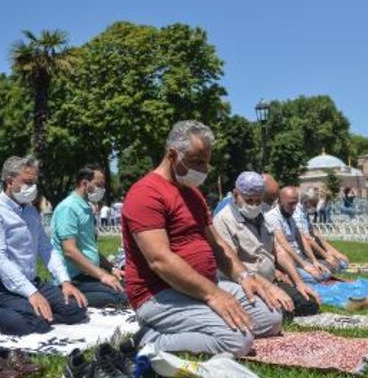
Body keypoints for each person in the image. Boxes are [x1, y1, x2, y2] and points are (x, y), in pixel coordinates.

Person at [122, 120, 289, 357]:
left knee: (270, 318)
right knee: (237, 340)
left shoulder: (193, 194)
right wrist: (214, 295)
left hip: (203, 285)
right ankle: (149, 338)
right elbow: (159, 260)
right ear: (172, 155)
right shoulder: (146, 193)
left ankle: (198, 319)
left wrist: (245, 276)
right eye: (197, 162)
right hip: (161, 294)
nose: (203, 170)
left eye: (206, 162)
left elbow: (218, 244)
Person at [0, 155, 87, 336]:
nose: (33, 188)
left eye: (35, 182)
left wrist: (65, 281)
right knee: (30, 322)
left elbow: (46, 248)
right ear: (10, 182)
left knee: (76, 308)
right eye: (27, 182)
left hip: (30, 281)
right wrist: (31, 293)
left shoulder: (30, 210)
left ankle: (37, 314)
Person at [213, 172, 320, 317]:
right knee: (282, 311)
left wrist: (298, 282)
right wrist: (269, 287)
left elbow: (278, 250)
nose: (254, 206)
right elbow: (233, 265)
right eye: (249, 201)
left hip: (270, 280)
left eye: (258, 201)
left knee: (309, 304)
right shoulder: (223, 220)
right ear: (235, 195)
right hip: (245, 283)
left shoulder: (262, 216)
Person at [51, 164, 127, 308]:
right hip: (74, 278)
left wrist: (112, 269)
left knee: (127, 286)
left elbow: (88, 247)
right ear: (85, 184)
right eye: (99, 185)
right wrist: (102, 275)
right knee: (120, 296)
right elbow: (69, 251)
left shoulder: (86, 208)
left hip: (88, 275)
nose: (102, 190)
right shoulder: (68, 208)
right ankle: (66, 296)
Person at [264, 186, 331, 284]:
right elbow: (284, 244)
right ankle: (290, 276)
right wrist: (305, 265)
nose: (294, 207)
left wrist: (314, 261)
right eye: (290, 203)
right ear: (280, 201)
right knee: (317, 277)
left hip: (300, 259)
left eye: (295, 203)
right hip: (289, 263)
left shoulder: (290, 215)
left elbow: (301, 239)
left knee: (326, 272)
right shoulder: (273, 217)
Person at [297, 188, 349, 272]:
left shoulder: (304, 211)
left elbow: (316, 236)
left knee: (342, 262)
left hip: (311, 251)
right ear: (306, 201)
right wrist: (326, 256)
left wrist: (335, 253)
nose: (314, 207)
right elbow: (307, 239)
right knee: (335, 266)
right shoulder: (297, 213)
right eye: (313, 204)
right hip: (302, 254)